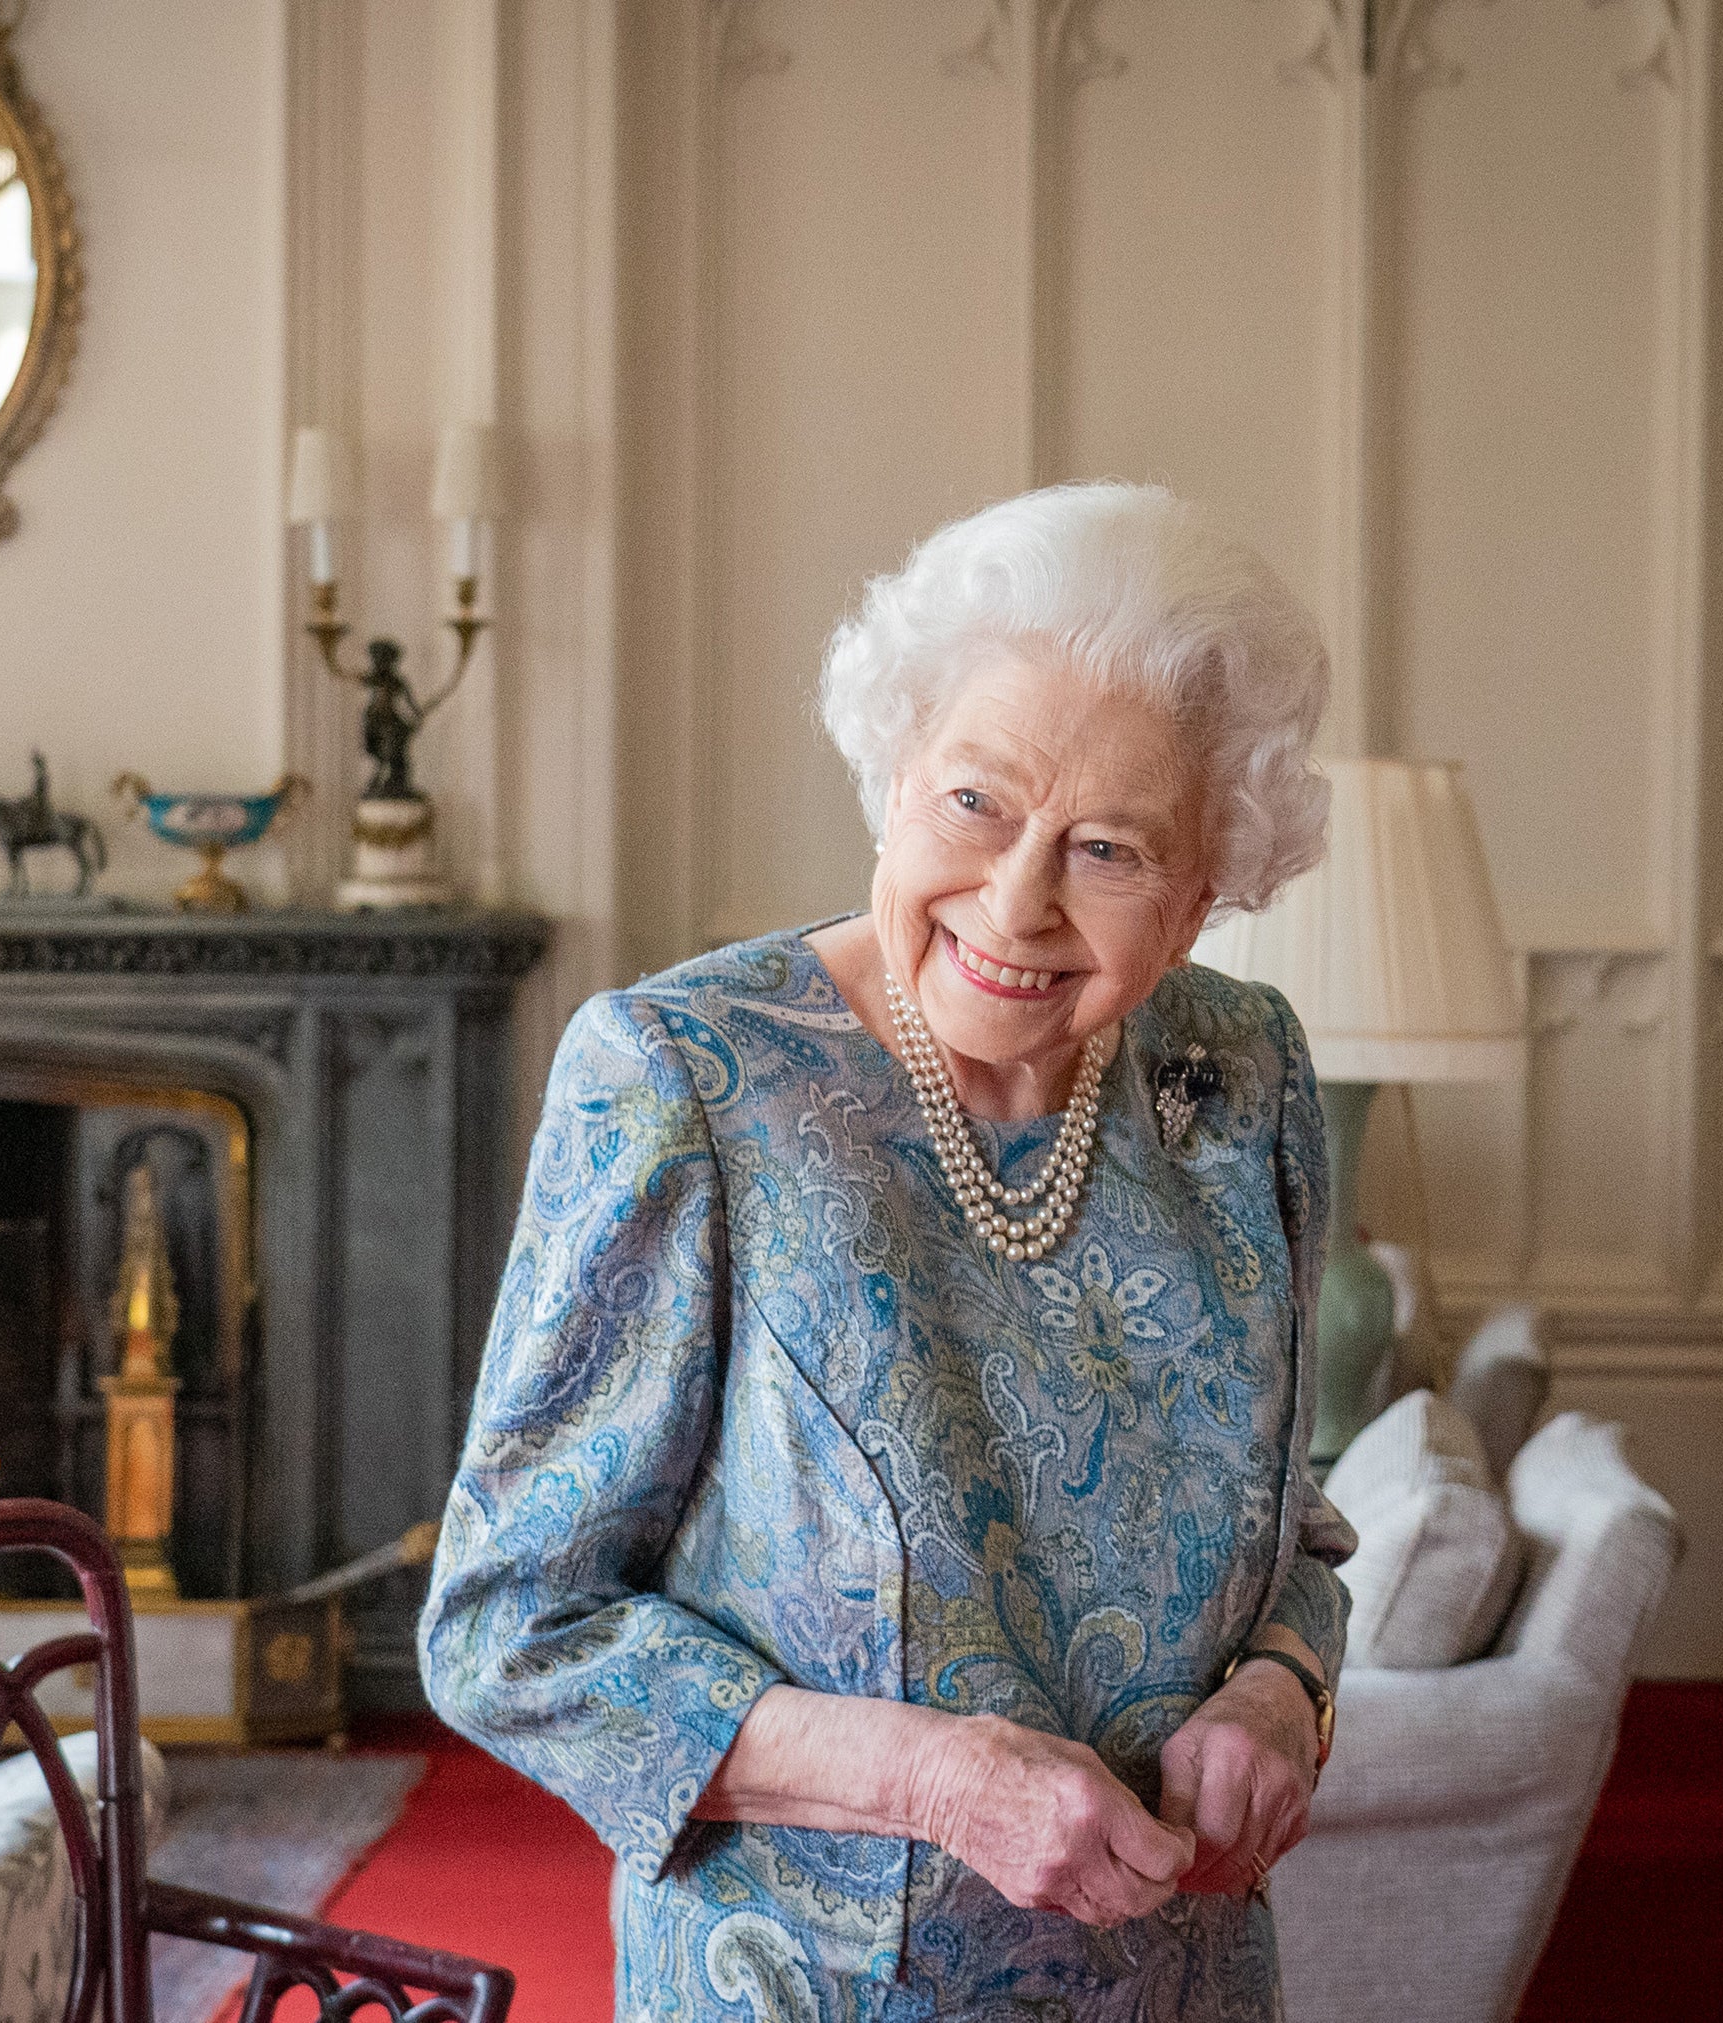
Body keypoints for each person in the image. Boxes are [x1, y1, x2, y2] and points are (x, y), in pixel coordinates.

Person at [421, 482, 1354, 2019]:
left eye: (1110, 850)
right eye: (975, 802)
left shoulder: (1239, 1078)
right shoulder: (687, 1081)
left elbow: (1289, 1524)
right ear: (894, 774)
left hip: (1182, 1988)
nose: (1017, 900)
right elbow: (509, 1632)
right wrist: (932, 1779)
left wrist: (1280, 1691)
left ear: (1202, 895)